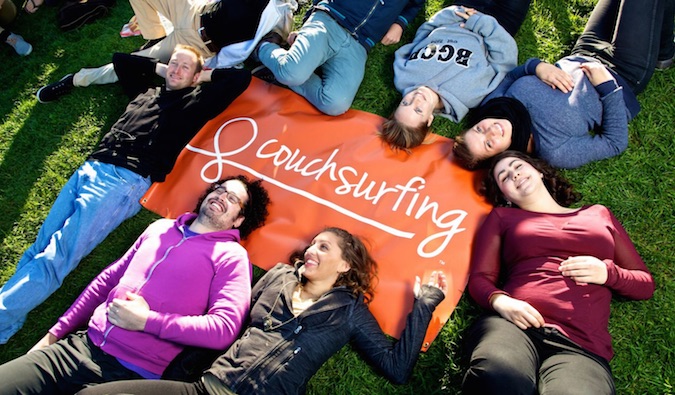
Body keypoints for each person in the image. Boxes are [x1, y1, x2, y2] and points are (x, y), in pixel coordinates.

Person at [0, 44, 252, 344]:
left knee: (57, 256)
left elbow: (239, 80)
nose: (176, 70)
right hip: (89, 169)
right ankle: (5, 324)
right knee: (38, 248)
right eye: (173, 64)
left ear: (196, 76)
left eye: (185, 68)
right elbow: (123, 61)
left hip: (123, 181)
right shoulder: (147, 93)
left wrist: (201, 77)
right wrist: (167, 69)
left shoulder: (193, 104)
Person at [74, 227, 448, 395]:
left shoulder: (349, 312)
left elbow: (397, 369)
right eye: (311, 245)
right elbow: (228, 325)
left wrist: (425, 305)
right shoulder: (279, 277)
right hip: (206, 387)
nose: (310, 252)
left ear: (346, 265)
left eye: (324, 248)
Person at [0, 176, 272, 394]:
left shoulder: (232, 257)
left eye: (233, 198)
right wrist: (53, 335)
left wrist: (147, 321)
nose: (221, 196)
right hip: (79, 347)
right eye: (219, 189)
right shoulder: (159, 228)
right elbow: (106, 281)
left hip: (135, 375)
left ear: (239, 220)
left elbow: (223, 329)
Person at [461, 151, 654, 394]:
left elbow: (645, 284)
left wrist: (607, 273)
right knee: (498, 380)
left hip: (581, 345)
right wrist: (502, 302)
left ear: (539, 170)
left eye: (517, 166)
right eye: (505, 177)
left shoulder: (598, 214)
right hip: (515, 326)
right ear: (505, 196)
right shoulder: (503, 217)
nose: (515, 174)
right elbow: (480, 278)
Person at [453, 0, 675, 169]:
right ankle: (663, 51)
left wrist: (537, 67)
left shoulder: (494, 105)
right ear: (501, 157)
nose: (491, 130)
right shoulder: (554, 151)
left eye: (479, 129)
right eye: (489, 144)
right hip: (622, 70)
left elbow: (511, 76)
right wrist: (607, 87)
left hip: (586, 49)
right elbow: (614, 143)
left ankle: (664, 52)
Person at [35, 0, 274, 103]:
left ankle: (76, 80)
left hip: (197, 44)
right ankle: (155, 34)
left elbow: (263, 43)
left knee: (130, 63)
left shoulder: (277, 9)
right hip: (193, 11)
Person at [382, 0, 530, 150]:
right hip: (499, 23)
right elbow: (506, 60)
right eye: (418, 110)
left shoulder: (404, 75)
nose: (416, 98)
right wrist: (480, 23)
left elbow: (424, 34)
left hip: (461, 9)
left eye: (405, 103)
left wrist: (453, 13)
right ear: (429, 120)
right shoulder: (469, 97)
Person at [255, 0, 426, 116]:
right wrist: (307, 22)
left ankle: (289, 62)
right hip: (329, 20)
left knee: (335, 103)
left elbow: (415, 4)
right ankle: (264, 47)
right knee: (291, 74)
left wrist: (400, 23)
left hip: (359, 45)